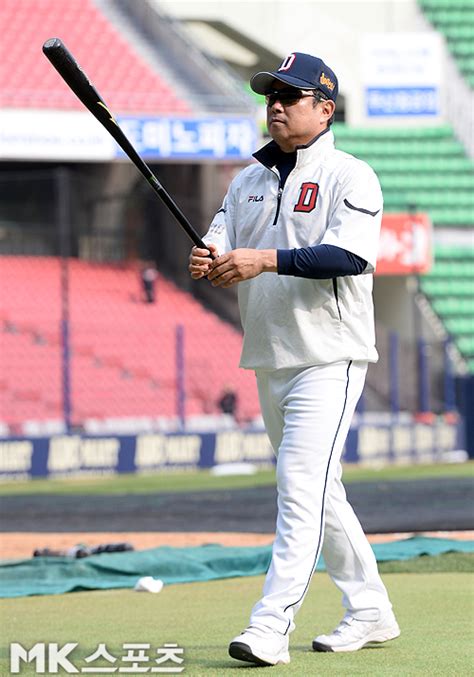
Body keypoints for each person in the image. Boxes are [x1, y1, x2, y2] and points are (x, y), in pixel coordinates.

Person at [189, 52, 399, 667]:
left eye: (291, 96)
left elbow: (349, 257)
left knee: (299, 486)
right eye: (270, 96)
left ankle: (270, 626)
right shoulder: (244, 180)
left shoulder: (351, 175)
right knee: (320, 489)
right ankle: (369, 609)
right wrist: (210, 260)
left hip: (329, 356)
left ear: (324, 108)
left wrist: (261, 259)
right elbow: (221, 241)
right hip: (270, 355)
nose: (275, 105)